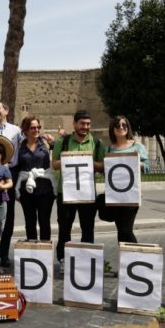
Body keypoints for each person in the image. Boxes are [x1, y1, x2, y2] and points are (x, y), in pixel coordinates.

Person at [52, 110, 105, 271]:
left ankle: (86, 259)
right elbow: (54, 164)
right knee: (64, 229)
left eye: (88, 124)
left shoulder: (97, 143)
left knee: (88, 228)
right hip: (66, 192)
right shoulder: (63, 141)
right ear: (74, 124)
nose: (85, 127)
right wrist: (69, 160)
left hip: (87, 193)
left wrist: (85, 160)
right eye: (82, 123)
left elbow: (102, 166)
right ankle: (63, 259)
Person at [106, 116, 149, 243]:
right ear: (113, 129)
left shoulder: (137, 146)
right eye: (118, 126)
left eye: (124, 125)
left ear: (128, 128)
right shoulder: (109, 149)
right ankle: (125, 260)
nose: (121, 128)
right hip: (115, 195)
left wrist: (135, 162)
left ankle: (135, 256)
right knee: (120, 231)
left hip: (131, 194)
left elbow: (147, 166)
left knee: (126, 230)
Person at [0, 100, 22, 267]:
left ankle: (4, 253)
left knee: (9, 217)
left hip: (11, 173)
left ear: (6, 111)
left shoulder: (15, 131)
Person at [15, 116, 55, 242]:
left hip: (45, 189)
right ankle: (32, 252)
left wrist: (54, 142)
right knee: (30, 221)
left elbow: (59, 153)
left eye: (38, 127)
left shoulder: (46, 144)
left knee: (44, 221)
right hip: (27, 190)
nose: (36, 130)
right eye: (33, 127)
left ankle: (45, 250)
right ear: (26, 130)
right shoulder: (19, 147)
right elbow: (16, 167)